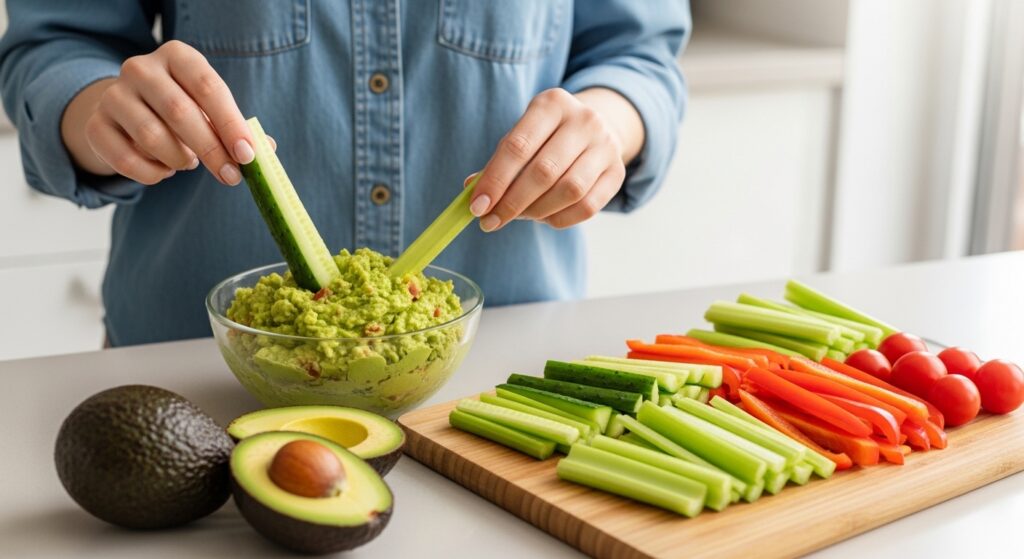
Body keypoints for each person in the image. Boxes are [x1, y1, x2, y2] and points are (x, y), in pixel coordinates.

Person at [0, 1, 689, 347]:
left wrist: (610, 121)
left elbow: (639, 53)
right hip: (192, 367)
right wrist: (103, 112)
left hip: (497, 365)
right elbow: (55, 41)